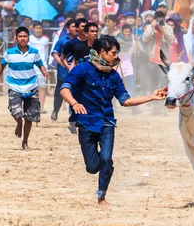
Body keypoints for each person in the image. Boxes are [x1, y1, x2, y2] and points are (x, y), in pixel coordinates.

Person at [59, 35, 166, 205]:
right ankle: (103, 169)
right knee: (92, 167)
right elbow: (64, 89)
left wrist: (151, 97)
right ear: (102, 52)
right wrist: (74, 102)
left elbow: (125, 101)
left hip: (107, 122)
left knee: (107, 158)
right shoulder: (82, 69)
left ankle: (102, 196)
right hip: (87, 122)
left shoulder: (114, 76)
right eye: (114, 53)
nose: (116, 57)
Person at [0, 27, 50, 150]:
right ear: (16, 38)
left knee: (30, 116)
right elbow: (1, 66)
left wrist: (45, 73)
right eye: (20, 36)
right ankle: (18, 123)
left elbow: (40, 64)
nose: (23, 38)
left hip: (31, 86)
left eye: (25, 36)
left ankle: (25, 142)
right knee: (16, 112)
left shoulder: (34, 52)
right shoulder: (10, 52)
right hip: (14, 86)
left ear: (28, 38)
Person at [51, 19, 77, 121]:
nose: (75, 28)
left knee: (74, 92)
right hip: (63, 71)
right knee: (60, 91)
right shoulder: (62, 40)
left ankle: (73, 115)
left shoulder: (80, 40)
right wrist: (62, 63)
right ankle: (55, 110)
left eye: (76, 27)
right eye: (73, 26)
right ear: (67, 28)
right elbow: (54, 53)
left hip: (76, 70)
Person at [28, 21, 51, 112]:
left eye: (40, 28)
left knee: (42, 87)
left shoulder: (45, 39)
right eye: (36, 28)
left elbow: (46, 54)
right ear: (33, 29)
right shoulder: (29, 39)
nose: (38, 30)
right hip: (30, 66)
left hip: (42, 67)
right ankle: (30, 106)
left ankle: (41, 107)